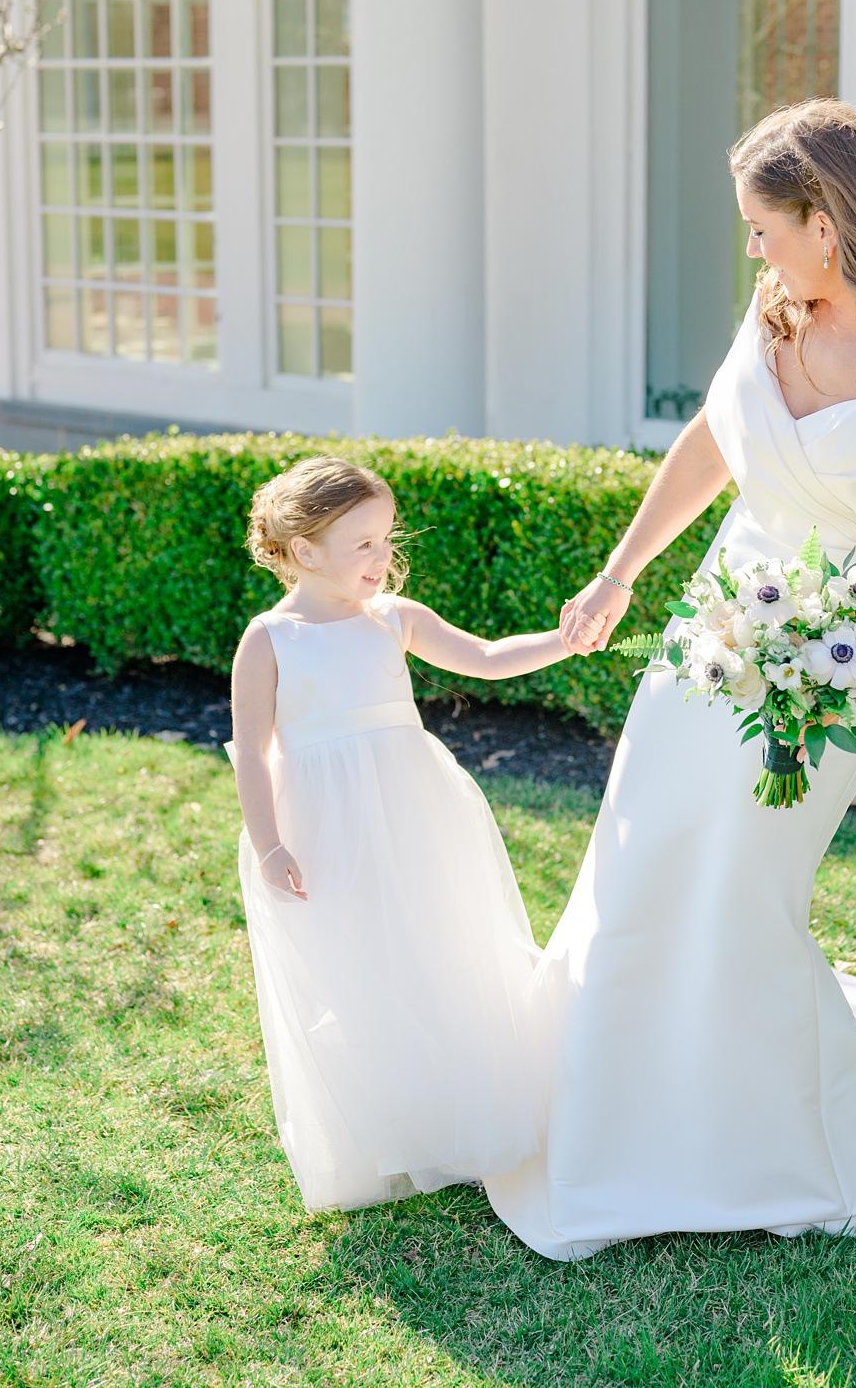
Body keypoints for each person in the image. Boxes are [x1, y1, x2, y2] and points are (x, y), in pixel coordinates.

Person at [487, 98, 856, 1260]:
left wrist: (838, 666)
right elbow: (716, 439)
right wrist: (625, 568)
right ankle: (608, 1115)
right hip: (710, 635)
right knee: (640, 859)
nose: (752, 250)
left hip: (835, 670)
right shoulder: (776, 307)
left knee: (736, 885)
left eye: (762, 225)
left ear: (826, 222)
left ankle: (766, 1142)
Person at [232, 456, 567, 1212]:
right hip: (323, 823)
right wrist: (270, 844)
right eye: (363, 546)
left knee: (441, 942)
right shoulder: (270, 639)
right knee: (356, 963)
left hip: (414, 807)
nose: (383, 558)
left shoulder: (394, 619)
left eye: (385, 540)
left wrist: (562, 640)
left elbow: (484, 658)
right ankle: (387, 1120)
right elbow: (252, 751)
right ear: (305, 551)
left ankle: (467, 1108)